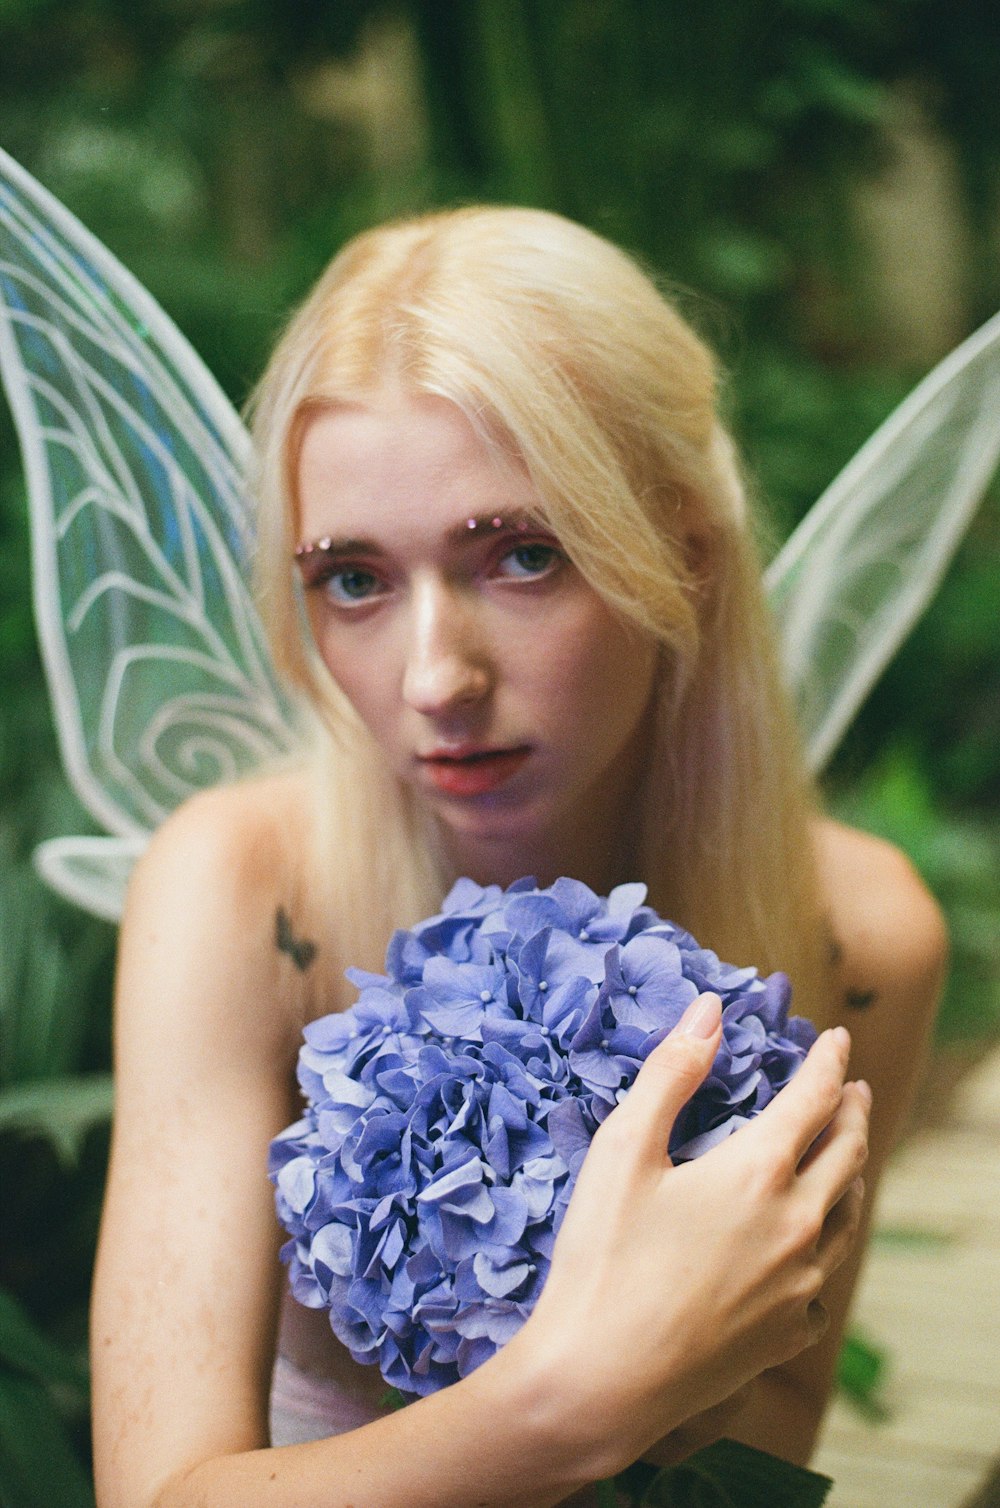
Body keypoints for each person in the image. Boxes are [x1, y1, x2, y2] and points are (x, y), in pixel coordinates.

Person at [89, 207, 944, 1508]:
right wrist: (564, 1403)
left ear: (688, 557)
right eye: (355, 581)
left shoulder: (861, 936)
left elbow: (761, 1446)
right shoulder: (239, 893)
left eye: (523, 557)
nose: (437, 678)